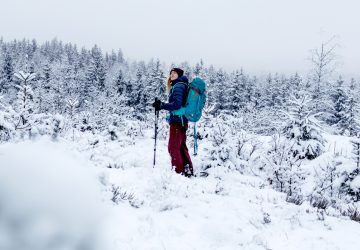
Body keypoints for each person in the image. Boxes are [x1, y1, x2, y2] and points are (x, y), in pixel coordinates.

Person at [152, 68, 193, 177]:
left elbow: (177, 105)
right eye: (170, 73)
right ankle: (187, 168)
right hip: (183, 120)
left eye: (174, 73)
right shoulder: (182, 85)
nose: (171, 75)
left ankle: (178, 173)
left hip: (178, 121)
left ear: (179, 75)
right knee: (181, 146)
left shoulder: (179, 86)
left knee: (173, 147)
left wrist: (162, 105)